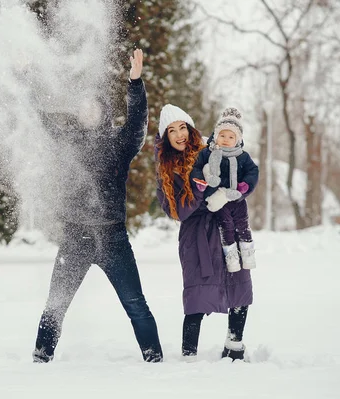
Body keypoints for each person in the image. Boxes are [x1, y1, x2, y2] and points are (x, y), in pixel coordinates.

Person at [33, 49, 164, 363]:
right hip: (75, 238)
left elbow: (138, 123)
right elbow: (38, 117)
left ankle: (154, 359)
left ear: (104, 111)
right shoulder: (67, 142)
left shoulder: (119, 143)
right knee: (56, 304)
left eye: (95, 106)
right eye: (83, 107)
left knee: (136, 304)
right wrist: (27, 77)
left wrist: (135, 83)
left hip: (113, 239)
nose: (88, 111)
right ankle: (40, 358)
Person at [155, 104, 253, 361]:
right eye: (172, 131)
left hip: (227, 224)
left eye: (183, 127)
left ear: (190, 128)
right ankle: (189, 355)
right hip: (196, 235)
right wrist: (199, 190)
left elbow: (241, 174)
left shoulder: (212, 149)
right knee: (197, 295)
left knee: (238, 285)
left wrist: (241, 188)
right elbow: (178, 212)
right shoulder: (167, 170)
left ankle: (234, 346)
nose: (179, 135)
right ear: (165, 137)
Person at [191, 107, 259, 272]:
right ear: (215, 135)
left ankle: (248, 253)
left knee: (243, 224)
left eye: (231, 136)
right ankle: (231, 257)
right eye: (222, 135)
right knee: (226, 226)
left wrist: (246, 186)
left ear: (238, 139)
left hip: (236, 197)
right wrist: (200, 181)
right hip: (219, 199)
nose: (226, 139)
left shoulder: (242, 156)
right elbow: (197, 168)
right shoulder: (208, 153)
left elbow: (253, 171)